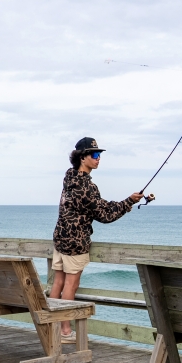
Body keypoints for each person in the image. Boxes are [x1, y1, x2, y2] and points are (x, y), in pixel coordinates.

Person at [49, 137, 144, 342]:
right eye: (94, 155)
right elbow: (104, 215)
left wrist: (127, 200)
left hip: (60, 239)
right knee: (70, 287)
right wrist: (128, 203)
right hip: (76, 243)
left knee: (58, 282)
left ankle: (51, 325)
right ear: (82, 157)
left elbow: (98, 204)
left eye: (99, 155)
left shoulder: (70, 178)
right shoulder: (86, 187)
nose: (98, 158)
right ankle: (64, 331)